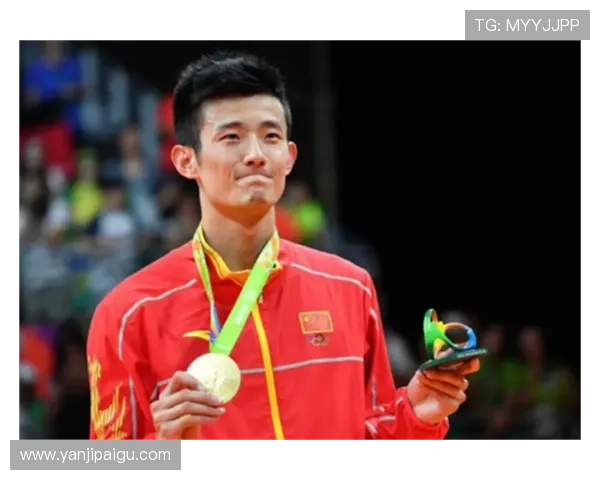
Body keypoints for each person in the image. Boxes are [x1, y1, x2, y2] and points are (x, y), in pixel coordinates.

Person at [86, 51, 479, 440]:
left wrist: (417, 416)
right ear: (186, 160)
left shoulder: (349, 288)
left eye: (270, 136)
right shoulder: (129, 314)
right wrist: (165, 449)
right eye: (231, 137)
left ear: (289, 157)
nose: (256, 155)